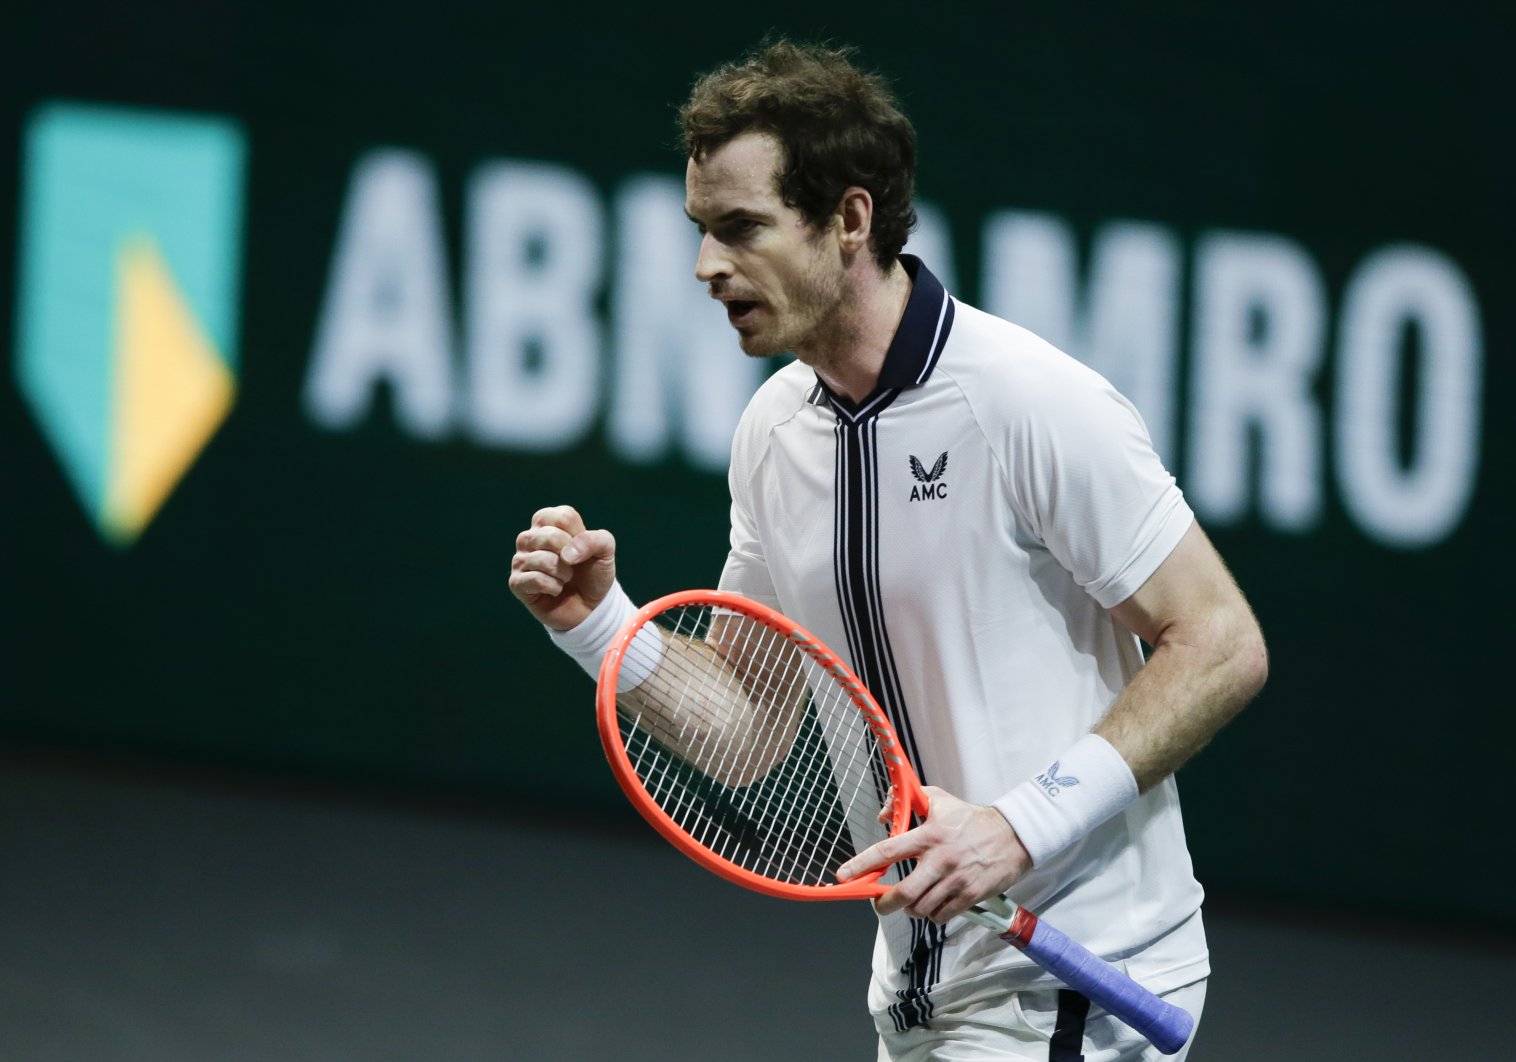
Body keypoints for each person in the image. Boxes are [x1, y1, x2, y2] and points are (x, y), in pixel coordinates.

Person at [509, 40, 1267, 1062]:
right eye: (699, 230)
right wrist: (595, 625)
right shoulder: (774, 434)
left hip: (1069, 982)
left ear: (850, 218)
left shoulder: (1027, 402)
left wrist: (1017, 826)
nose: (705, 267)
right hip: (924, 994)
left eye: (741, 229)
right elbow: (749, 730)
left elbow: (1219, 640)